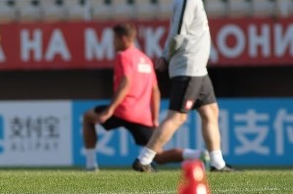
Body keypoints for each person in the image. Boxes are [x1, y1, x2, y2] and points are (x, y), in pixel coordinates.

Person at [133, 0, 236, 172]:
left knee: (211, 112)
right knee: (177, 116)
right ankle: (144, 159)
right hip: (189, 68)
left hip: (198, 69)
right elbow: (178, 33)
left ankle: (218, 163)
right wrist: (166, 56)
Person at [82, 23, 207, 171]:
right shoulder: (146, 59)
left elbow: (126, 83)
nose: (113, 42)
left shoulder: (123, 56)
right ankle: (197, 154)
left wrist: (110, 110)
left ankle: (91, 165)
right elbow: (155, 91)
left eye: (114, 38)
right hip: (142, 116)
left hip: (122, 110)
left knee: (88, 117)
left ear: (123, 39)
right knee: (157, 155)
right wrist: (154, 118)